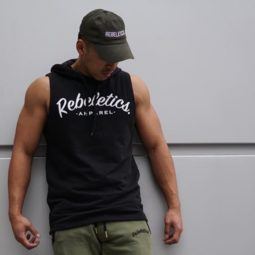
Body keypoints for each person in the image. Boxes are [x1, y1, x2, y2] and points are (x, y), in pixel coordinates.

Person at [8, 8, 183, 255]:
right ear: (81, 47)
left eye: (118, 55)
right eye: (106, 55)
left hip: (127, 219)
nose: (113, 63)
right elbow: (23, 151)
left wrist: (174, 206)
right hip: (72, 223)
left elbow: (156, 146)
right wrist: (15, 213)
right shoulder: (46, 90)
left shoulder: (133, 87)